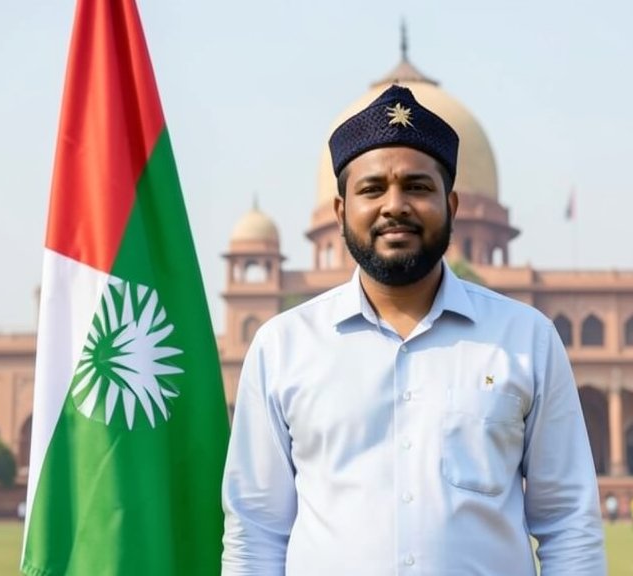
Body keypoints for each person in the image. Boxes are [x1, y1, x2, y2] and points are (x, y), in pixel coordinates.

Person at [220, 85, 605, 575]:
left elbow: (569, 520)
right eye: (372, 188)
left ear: (452, 205)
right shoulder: (283, 347)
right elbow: (255, 530)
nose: (395, 205)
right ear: (340, 211)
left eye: (418, 187)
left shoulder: (525, 340)